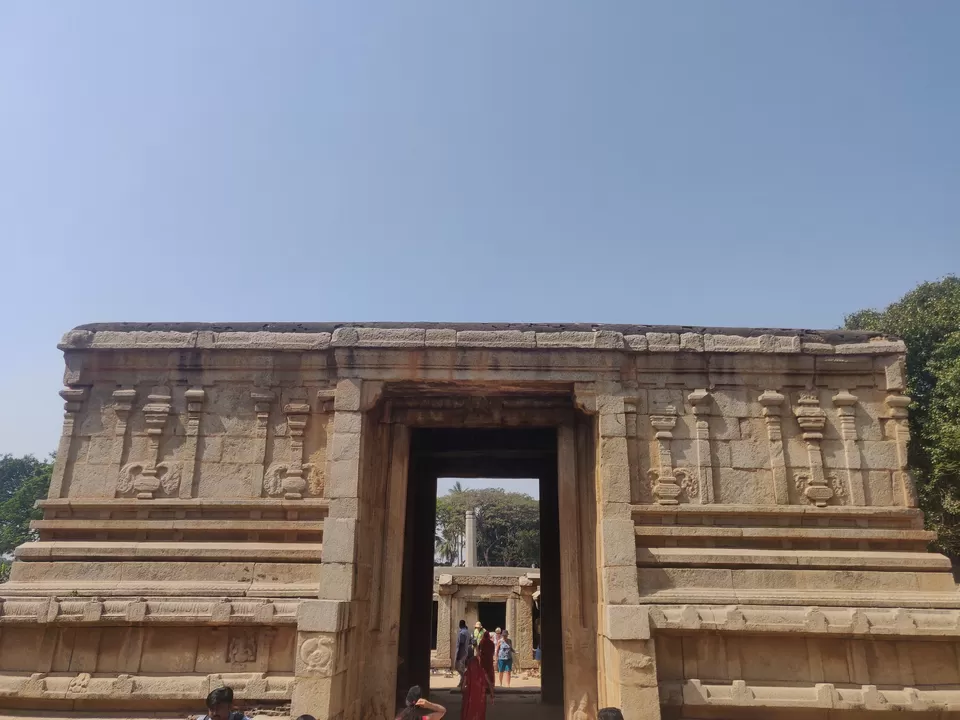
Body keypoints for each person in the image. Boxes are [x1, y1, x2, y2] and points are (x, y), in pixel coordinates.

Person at [460, 652, 494, 720]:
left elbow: (463, 687)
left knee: (469, 713)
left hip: (470, 698)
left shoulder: (467, 673)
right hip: (481, 697)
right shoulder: (482, 671)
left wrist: (466, 691)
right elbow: (490, 684)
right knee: (479, 713)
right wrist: (492, 695)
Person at [455, 619, 470, 689]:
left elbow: (461, 643)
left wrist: (458, 655)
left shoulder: (462, 633)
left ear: (460, 625)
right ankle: (462, 681)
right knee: (462, 667)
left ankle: (464, 679)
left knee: (458, 667)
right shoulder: (467, 632)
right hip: (465, 652)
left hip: (461, 652)